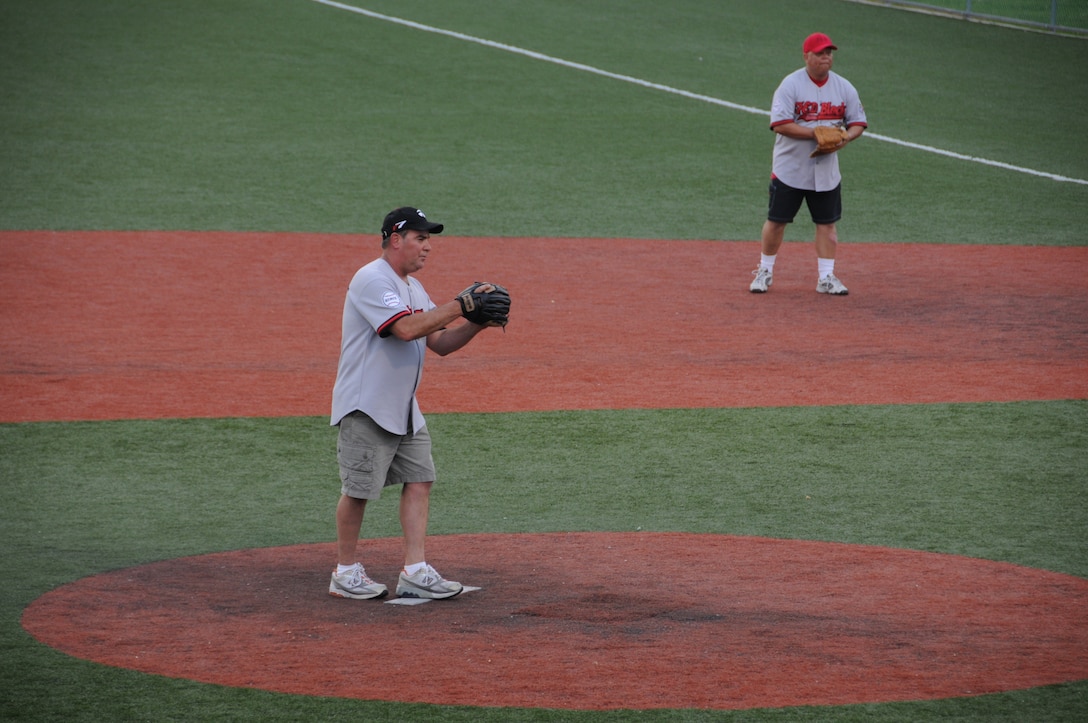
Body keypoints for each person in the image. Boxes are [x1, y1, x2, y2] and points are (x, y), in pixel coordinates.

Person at [327, 206, 506, 600]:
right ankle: (344, 572)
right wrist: (461, 305)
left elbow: (439, 343)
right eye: (421, 238)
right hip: (367, 405)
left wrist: (476, 323)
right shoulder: (372, 279)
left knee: (420, 480)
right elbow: (406, 329)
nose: (428, 247)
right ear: (395, 239)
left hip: (404, 408)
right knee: (358, 490)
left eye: (429, 240)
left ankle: (415, 569)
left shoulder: (414, 289)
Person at [750, 32, 867, 295]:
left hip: (826, 171)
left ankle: (826, 278)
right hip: (789, 168)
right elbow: (779, 124)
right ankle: (764, 271)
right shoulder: (790, 85)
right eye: (820, 53)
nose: (826, 57)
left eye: (829, 53)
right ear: (807, 56)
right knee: (777, 221)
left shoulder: (844, 87)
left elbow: (858, 121)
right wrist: (815, 133)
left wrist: (845, 137)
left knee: (827, 224)